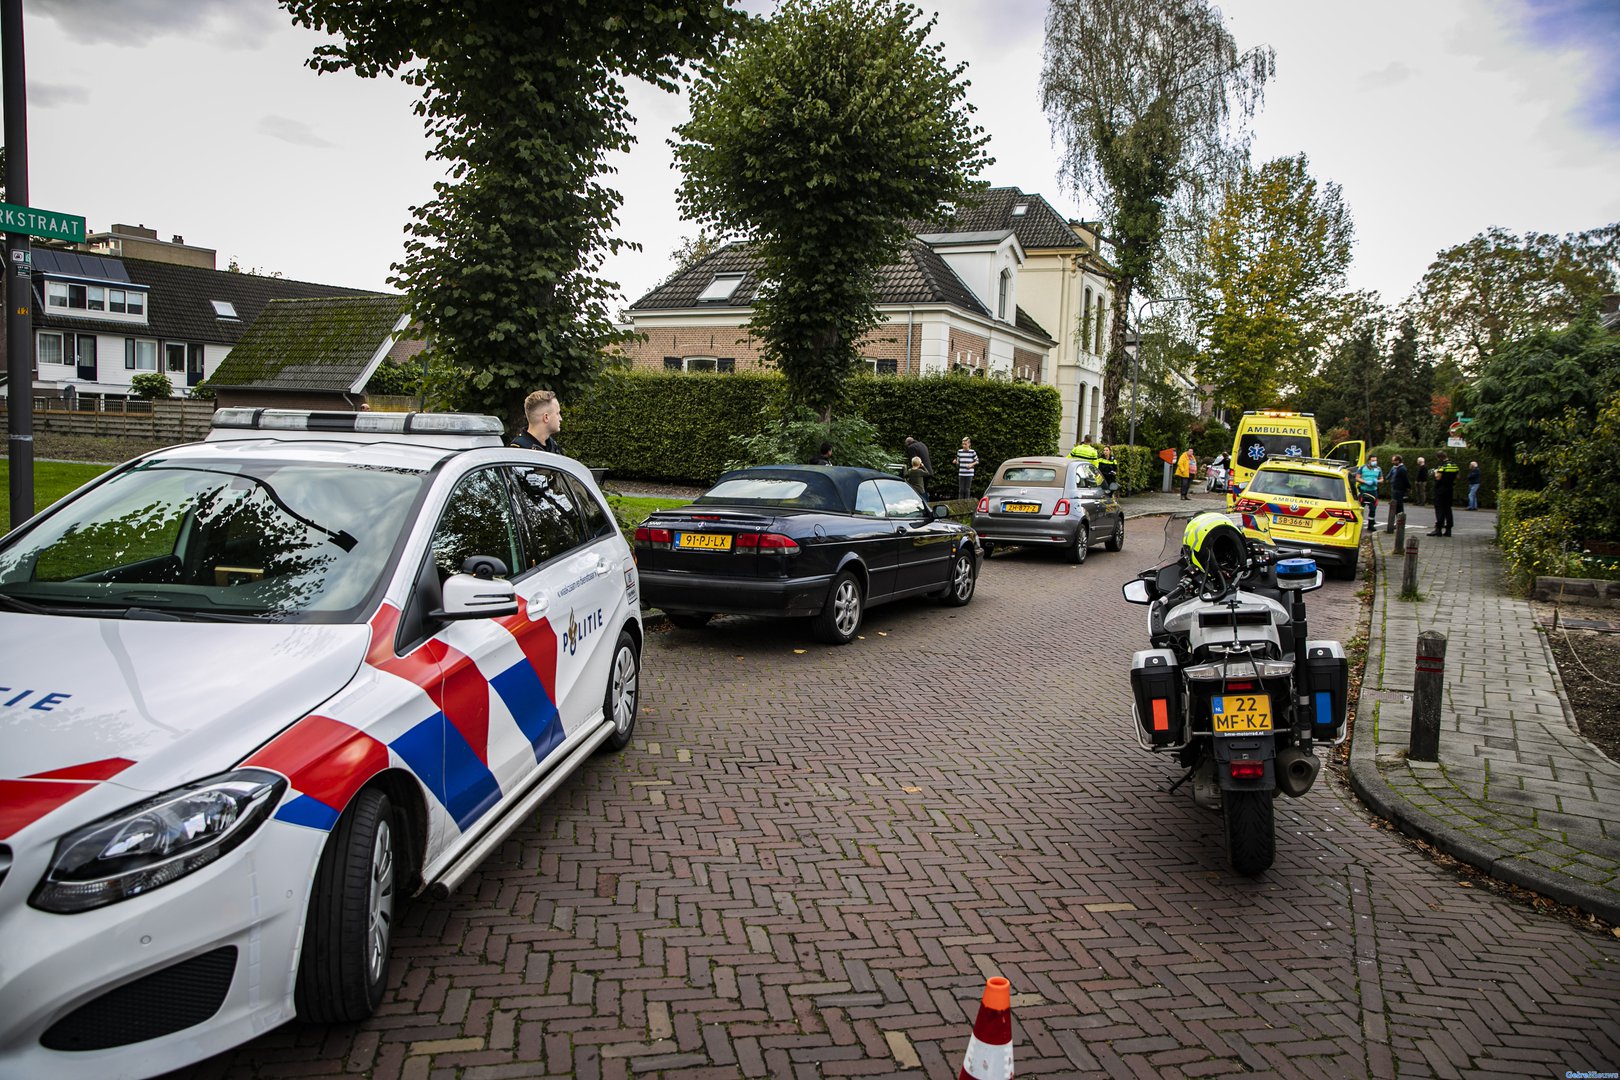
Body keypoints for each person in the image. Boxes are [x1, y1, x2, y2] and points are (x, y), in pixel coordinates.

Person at [512, 389, 562, 453]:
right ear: (546, 417)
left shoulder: (553, 446)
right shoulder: (519, 450)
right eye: (557, 413)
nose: (560, 419)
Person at [1428, 452, 1459, 536]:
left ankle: (1438, 529)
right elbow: (1458, 477)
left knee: (1439, 509)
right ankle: (1448, 530)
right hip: (1450, 489)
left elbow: (1438, 477)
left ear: (1439, 458)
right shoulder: (1454, 465)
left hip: (1441, 489)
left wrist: (1435, 472)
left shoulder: (1442, 466)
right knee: (1448, 509)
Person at [1356, 455, 1383, 530]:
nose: (1374, 462)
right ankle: (1358, 523)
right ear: (1369, 460)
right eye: (1373, 460)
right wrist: (1365, 482)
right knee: (1361, 507)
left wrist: (1377, 481)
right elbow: (1357, 478)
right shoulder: (1362, 468)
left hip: (1373, 491)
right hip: (1364, 490)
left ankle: (1370, 525)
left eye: (1375, 460)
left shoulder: (1378, 469)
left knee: (1373, 508)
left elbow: (1382, 479)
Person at [1387, 454, 1410, 534]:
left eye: (1394, 460)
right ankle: (1396, 523)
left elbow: (1405, 480)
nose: (1392, 462)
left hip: (1399, 490)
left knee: (1399, 507)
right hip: (1395, 489)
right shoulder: (1396, 468)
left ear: (1398, 461)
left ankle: (1400, 523)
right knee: (1395, 507)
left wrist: (1408, 488)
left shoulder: (1402, 469)